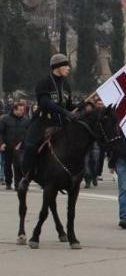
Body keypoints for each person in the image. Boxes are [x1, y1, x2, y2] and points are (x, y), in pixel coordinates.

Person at [19, 54, 74, 192]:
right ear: (57, 67)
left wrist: (84, 105)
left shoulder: (66, 85)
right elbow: (44, 102)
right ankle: (26, 176)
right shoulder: (44, 82)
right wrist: (65, 112)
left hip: (60, 123)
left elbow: (69, 105)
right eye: (66, 65)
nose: (68, 68)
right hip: (43, 122)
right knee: (31, 146)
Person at [0, 103, 29, 190]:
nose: (22, 112)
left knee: (20, 166)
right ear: (14, 110)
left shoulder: (26, 120)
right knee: (7, 165)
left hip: (20, 148)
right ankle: (8, 182)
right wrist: (1, 143)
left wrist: (22, 143)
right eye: (20, 110)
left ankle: (18, 184)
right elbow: (0, 133)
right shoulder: (5, 119)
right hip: (8, 146)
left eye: (23, 110)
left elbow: (28, 134)